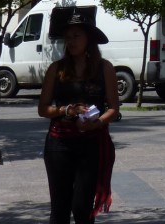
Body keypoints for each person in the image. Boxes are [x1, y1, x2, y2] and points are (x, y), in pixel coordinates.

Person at [38, 12, 119, 224]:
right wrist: (66, 111)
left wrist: (98, 122)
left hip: (92, 144)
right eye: (68, 37)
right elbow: (43, 109)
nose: (71, 41)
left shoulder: (105, 68)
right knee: (60, 209)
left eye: (76, 36)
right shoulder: (57, 69)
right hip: (59, 143)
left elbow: (114, 108)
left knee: (82, 207)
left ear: (88, 39)